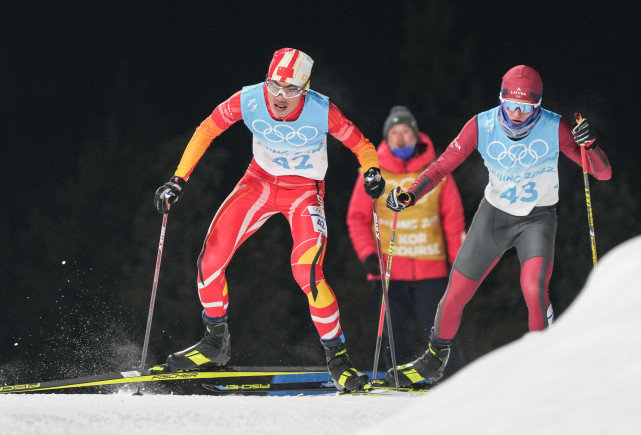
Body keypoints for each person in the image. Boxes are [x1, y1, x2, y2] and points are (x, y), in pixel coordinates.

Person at [152, 48, 385, 392]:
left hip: (304, 190)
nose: (279, 96)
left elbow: (362, 145)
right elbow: (206, 130)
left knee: (306, 270)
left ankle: (338, 359)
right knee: (209, 261)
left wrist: (373, 172)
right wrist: (178, 179)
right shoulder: (248, 98)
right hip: (258, 182)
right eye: (274, 85)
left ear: (304, 90)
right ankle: (216, 341)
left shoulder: (322, 110)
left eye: (290, 90)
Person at [385, 65, 612, 385]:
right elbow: (440, 167)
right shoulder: (481, 125)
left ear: (539, 105)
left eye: (526, 107)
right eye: (511, 105)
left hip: (537, 218)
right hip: (494, 216)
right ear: (501, 99)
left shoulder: (554, 126)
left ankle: (542, 361)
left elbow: (601, 173)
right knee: (455, 294)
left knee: (534, 288)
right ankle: (433, 360)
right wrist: (411, 195)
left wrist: (590, 145)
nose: (518, 114)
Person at [346, 106, 466, 375]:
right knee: (393, 335)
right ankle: (394, 380)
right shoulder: (373, 174)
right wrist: (367, 255)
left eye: (406, 133)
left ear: (417, 136)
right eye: (394, 133)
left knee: (439, 330)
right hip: (388, 272)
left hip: (431, 270)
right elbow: (356, 218)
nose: (400, 139)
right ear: (386, 138)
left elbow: (454, 221)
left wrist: (460, 264)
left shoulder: (437, 174)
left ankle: (453, 379)